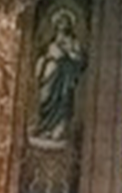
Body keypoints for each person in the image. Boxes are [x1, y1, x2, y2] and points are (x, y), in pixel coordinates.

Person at [32, 10, 86, 142]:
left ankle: (58, 129)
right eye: (59, 22)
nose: (62, 24)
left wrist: (67, 54)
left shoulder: (72, 41)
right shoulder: (51, 40)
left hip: (64, 77)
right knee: (46, 97)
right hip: (50, 74)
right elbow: (43, 56)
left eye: (64, 22)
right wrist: (46, 59)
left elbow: (79, 60)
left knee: (62, 100)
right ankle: (45, 127)